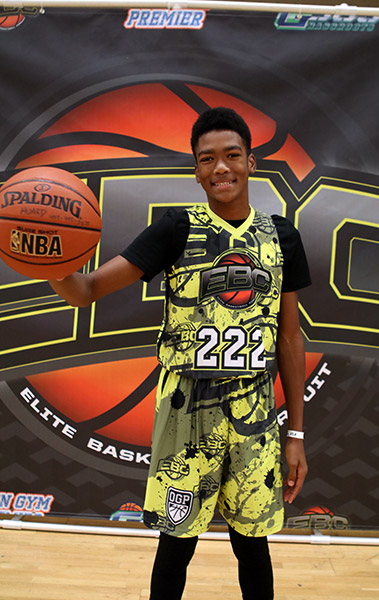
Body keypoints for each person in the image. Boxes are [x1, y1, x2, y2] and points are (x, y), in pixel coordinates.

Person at [50, 107, 310, 600]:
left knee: (252, 546)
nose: (220, 167)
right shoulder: (176, 228)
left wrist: (295, 433)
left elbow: (290, 338)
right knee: (175, 545)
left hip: (254, 410)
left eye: (232, 155)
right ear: (195, 170)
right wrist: (49, 263)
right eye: (207, 159)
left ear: (251, 162)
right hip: (187, 411)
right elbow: (86, 291)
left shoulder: (282, 236)